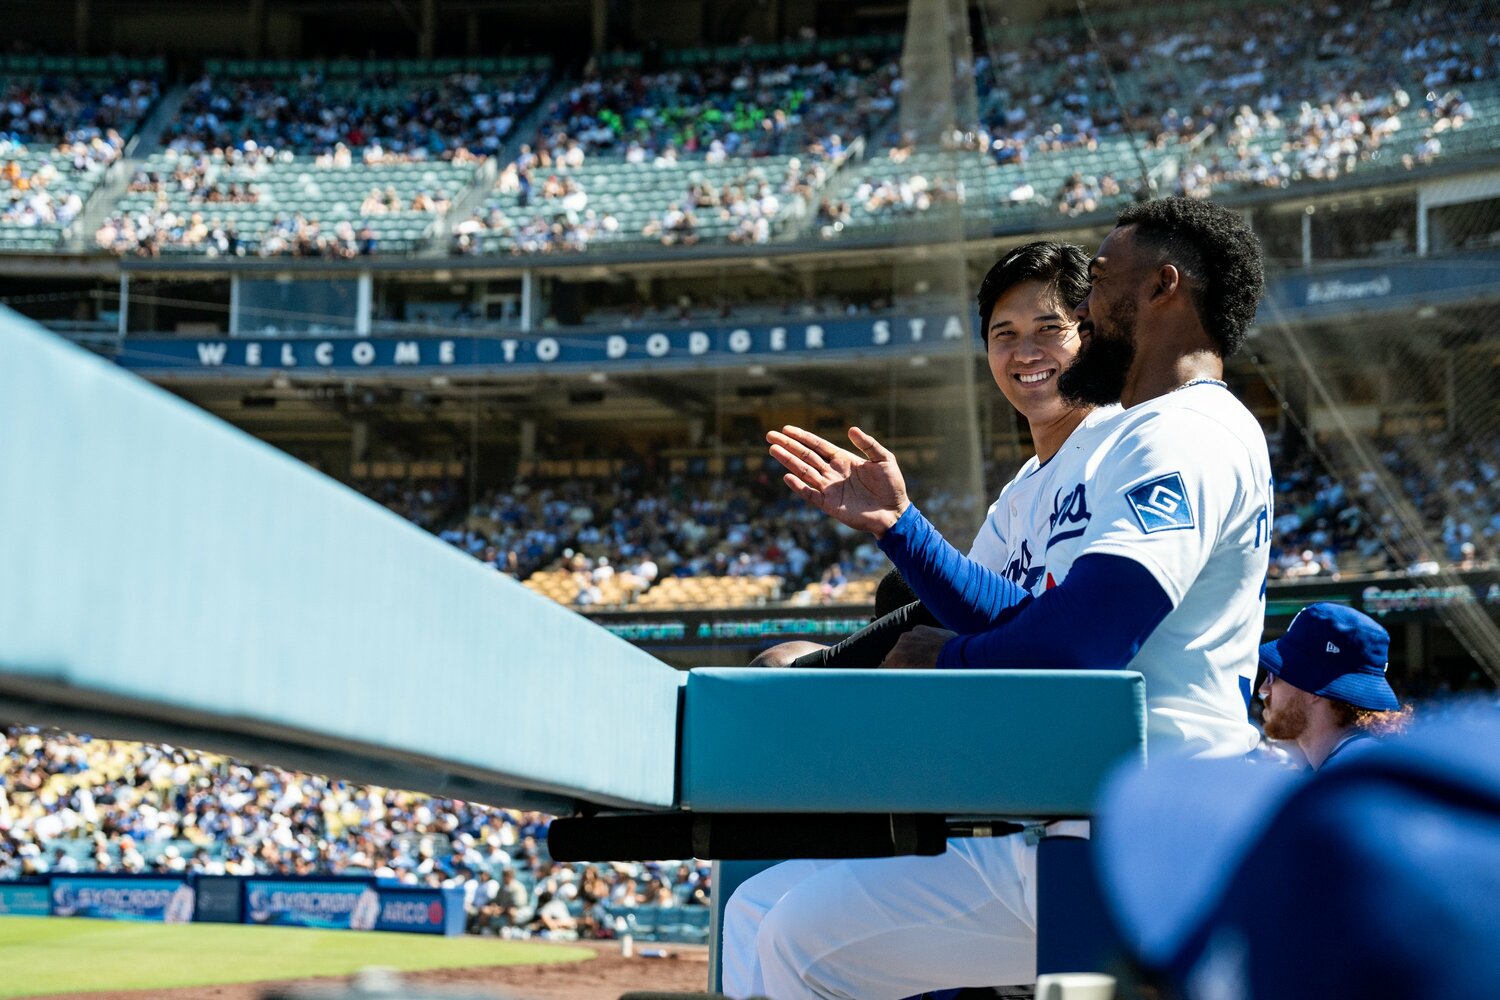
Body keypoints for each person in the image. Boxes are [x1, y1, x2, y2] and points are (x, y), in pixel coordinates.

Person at [726, 198, 1274, 999]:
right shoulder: (1139, 436)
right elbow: (1026, 618)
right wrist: (900, 535)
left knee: (797, 942)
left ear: (1163, 288)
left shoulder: (1179, 430)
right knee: (774, 920)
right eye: (1006, 333)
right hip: (1084, 802)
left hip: (1143, 815)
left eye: (1098, 287)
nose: (1085, 307)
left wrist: (946, 657)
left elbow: (1083, 641)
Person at [1258, 602, 1411, 769]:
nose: (1263, 689)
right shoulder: (1355, 762)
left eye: (1273, 675)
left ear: (1313, 685)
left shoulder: (1355, 774)